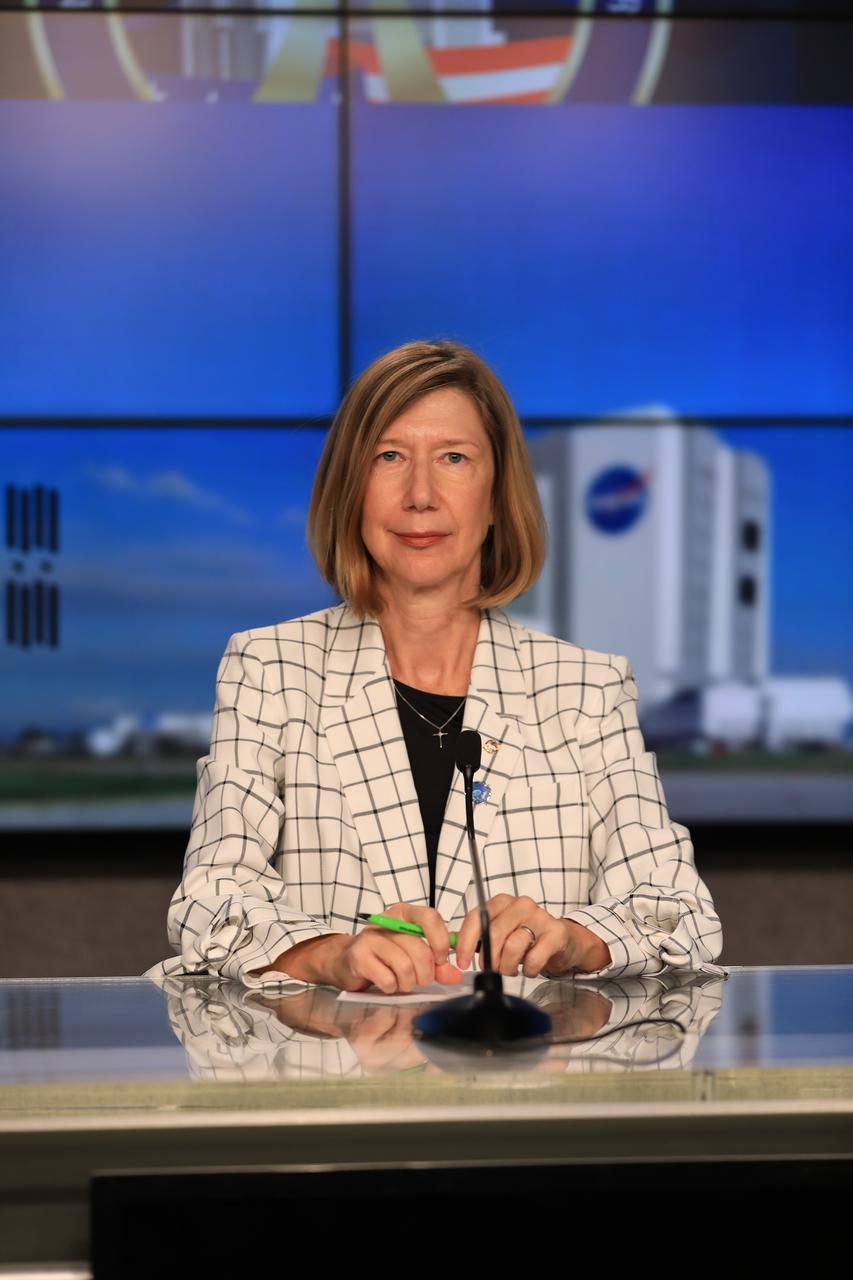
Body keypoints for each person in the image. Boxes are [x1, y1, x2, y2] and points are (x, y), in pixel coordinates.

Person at [152, 339, 723, 996]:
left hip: (529, 1076)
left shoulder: (586, 688)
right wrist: (329, 953)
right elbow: (209, 899)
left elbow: (681, 915)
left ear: (495, 493)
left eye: (453, 458)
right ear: (350, 488)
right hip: (333, 1076)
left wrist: (574, 937)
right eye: (388, 457)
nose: (419, 494)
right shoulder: (270, 668)